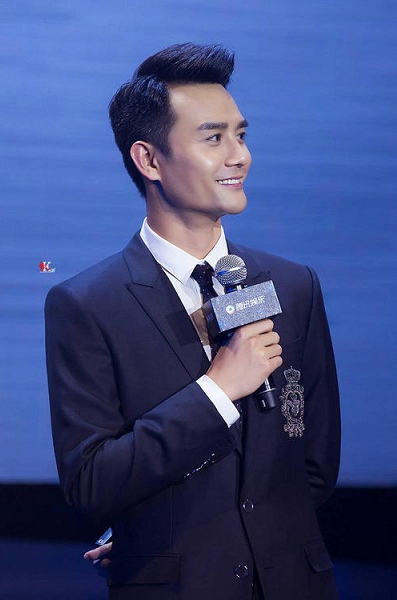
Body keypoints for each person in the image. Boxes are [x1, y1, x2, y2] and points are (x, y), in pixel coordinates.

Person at [45, 43, 341, 600]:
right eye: (213, 138)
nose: (239, 156)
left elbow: (312, 460)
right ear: (149, 160)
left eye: (241, 135)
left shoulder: (293, 285)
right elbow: (90, 481)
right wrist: (217, 391)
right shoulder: (87, 304)